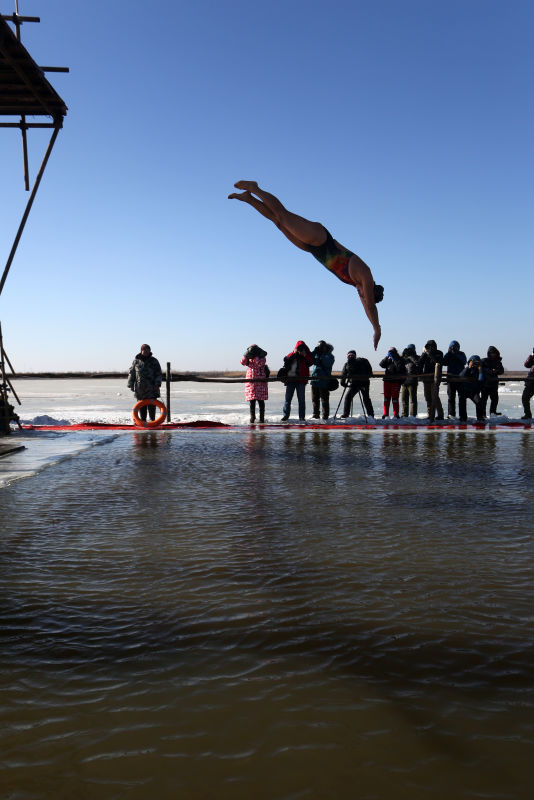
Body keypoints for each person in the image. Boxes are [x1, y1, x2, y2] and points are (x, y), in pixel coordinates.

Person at [229, 181, 384, 349]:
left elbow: (368, 308)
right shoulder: (365, 274)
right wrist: (378, 329)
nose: (360, 295)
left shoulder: (357, 284)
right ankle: (255, 188)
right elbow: (371, 306)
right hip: (320, 238)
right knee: (282, 215)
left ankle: (249, 199)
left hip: (313, 249)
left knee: (279, 223)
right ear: (370, 289)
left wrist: (373, 326)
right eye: (364, 294)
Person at [127, 344, 163, 422]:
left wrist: (157, 384)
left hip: (152, 388)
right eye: (144, 350)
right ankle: (143, 422)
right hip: (140, 389)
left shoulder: (154, 361)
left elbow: (159, 373)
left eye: (148, 350)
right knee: (142, 407)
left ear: (150, 351)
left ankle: (152, 421)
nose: (146, 352)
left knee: (151, 406)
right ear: (141, 351)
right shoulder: (136, 361)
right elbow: (132, 373)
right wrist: (130, 384)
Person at [280, 340, 313, 421]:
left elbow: (311, 362)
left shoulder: (306, 355)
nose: (300, 350)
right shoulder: (291, 355)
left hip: (301, 381)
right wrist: (293, 353)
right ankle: (285, 416)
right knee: (288, 400)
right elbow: (285, 360)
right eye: (299, 348)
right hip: (290, 380)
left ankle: (302, 417)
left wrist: (305, 355)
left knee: (301, 400)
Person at [340, 349, 374, 418]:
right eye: (349, 355)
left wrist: (343, 382)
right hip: (356, 383)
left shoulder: (361, 362)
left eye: (352, 355)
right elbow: (344, 374)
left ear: (355, 356)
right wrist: (343, 382)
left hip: (363, 383)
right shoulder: (347, 364)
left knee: (366, 398)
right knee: (348, 397)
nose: (350, 357)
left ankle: (370, 415)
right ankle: (346, 414)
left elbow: (369, 372)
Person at [241, 344, 269, 423]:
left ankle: (261, 418)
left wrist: (256, 356)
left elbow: (260, 364)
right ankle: (252, 418)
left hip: (260, 381)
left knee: (261, 400)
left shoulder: (262, 358)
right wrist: (246, 355)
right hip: (251, 382)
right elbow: (243, 362)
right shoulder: (249, 358)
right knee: (252, 401)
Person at [419, 339, 444, 419]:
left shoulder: (439, 353)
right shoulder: (425, 354)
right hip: (426, 378)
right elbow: (419, 363)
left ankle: (440, 415)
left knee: (435, 396)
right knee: (427, 397)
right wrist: (423, 353)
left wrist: (429, 353)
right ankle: (430, 415)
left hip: (435, 379)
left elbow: (437, 361)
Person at [310, 341, 335, 419]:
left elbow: (327, 363)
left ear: (325, 347)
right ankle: (315, 414)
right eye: (320, 347)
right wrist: (314, 352)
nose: (321, 349)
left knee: (324, 399)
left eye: (322, 347)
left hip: (324, 381)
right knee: (314, 399)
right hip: (314, 380)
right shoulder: (316, 354)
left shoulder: (329, 356)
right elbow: (309, 359)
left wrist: (322, 355)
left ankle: (325, 416)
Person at [379, 347, 406, 419]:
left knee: (394, 398)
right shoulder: (388, 360)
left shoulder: (399, 359)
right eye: (389, 352)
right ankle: (385, 413)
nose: (390, 353)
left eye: (391, 352)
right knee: (386, 398)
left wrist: (395, 359)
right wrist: (386, 357)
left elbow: (399, 368)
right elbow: (381, 364)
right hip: (387, 381)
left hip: (395, 382)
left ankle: (396, 414)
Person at [443, 340, 467, 418]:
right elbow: (444, 362)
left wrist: (456, 354)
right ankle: (451, 414)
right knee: (451, 398)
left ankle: (462, 415)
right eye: (452, 347)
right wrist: (449, 353)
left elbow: (464, 362)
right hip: (451, 379)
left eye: (456, 347)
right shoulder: (448, 354)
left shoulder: (461, 354)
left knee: (462, 398)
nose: (454, 348)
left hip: (460, 379)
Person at [458, 355, 486, 422]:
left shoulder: (479, 370)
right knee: (462, 402)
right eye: (473, 362)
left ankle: (480, 417)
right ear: (469, 362)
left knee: (479, 402)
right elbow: (461, 376)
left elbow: (481, 379)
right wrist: (469, 367)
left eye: (477, 362)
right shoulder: (467, 369)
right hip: (464, 390)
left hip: (473, 391)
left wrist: (480, 370)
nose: (475, 364)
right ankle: (463, 418)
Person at [480, 346, 504, 417]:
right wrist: (489, 371)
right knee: (484, 400)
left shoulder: (498, 362)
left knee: (495, 399)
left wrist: (496, 371)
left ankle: (493, 413)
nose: (493, 354)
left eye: (494, 353)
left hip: (494, 384)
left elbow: (501, 371)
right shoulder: (484, 361)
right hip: (485, 384)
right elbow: (480, 368)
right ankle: (483, 414)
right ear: (489, 353)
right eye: (491, 353)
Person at [400, 344, 420, 418]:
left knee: (413, 400)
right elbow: (399, 364)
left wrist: (411, 356)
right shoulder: (404, 358)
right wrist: (403, 355)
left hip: (412, 381)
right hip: (404, 381)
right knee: (404, 399)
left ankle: (413, 415)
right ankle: (404, 414)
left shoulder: (416, 357)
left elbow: (418, 363)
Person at [521, 346, 534, 420]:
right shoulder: (532, 358)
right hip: (531, 383)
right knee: (525, 398)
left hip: (531, 382)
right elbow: (526, 365)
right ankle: (528, 414)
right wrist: (531, 356)